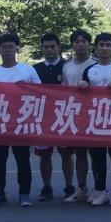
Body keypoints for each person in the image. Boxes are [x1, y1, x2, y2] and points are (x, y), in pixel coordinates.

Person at [0, 33, 41, 208]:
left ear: (17, 49)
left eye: (11, 46)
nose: (7, 50)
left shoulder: (28, 70)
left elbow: (41, 92)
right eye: (4, 47)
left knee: (23, 159)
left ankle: (24, 194)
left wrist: (28, 87)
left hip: (21, 120)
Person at [79, 32, 111, 207]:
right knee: (97, 157)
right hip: (95, 119)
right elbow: (83, 90)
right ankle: (100, 190)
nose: (104, 48)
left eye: (108, 45)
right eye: (101, 45)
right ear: (96, 48)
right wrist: (82, 84)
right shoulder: (90, 70)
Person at [61, 29, 96, 203]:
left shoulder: (96, 65)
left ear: (89, 44)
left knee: (97, 154)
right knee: (79, 153)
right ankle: (81, 188)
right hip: (73, 114)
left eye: (83, 41)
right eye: (77, 42)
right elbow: (63, 89)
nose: (80, 44)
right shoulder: (67, 66)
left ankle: (99, 188)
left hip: (93, 113)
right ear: (72, 45)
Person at [33, 33, 67, 202]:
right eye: (46, 47)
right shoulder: (35, 68)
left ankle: (69, 186)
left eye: (52, 46)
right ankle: (47, 187)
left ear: (58, 47)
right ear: (42, 48)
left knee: (66, 153)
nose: (49, 50)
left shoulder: (68, 66)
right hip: (43, 117)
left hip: (65, 116)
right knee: (44, 154)